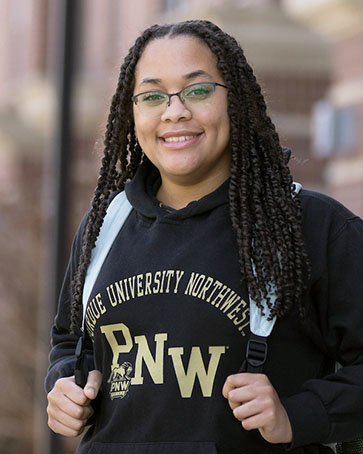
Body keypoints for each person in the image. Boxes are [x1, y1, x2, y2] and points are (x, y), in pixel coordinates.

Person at [45, 20, 363, 454]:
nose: (174, 111)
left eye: (197, 90)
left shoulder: (310, 226)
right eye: (153, 96)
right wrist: (64, 382)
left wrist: (300, 414)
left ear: (237, 101)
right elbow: (69, 339)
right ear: (131, 111)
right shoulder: (105, 225)